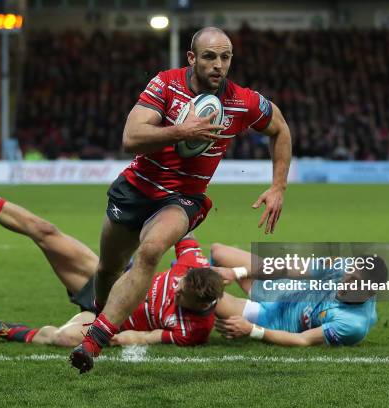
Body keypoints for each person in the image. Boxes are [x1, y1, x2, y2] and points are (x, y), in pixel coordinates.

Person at [71, 26, 292, 373]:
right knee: (108, 267)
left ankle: (94, 340)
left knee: (151, 249)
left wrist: (278, 186)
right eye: (209, 56)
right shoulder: (165, 84)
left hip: (184, 198)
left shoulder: (242, 101)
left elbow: (280, 128)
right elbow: (130, 137)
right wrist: (181, 131)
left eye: (225, 57)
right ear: (192, 58)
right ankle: (100, 311)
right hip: (137, 187)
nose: (218, 64)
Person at [0, 151, 224, 349]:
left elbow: (137, 339)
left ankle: (8, 331)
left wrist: (105, 334)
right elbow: (183, 227)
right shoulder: (193, 263)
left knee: (64, 339)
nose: (175, 288)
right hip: (106, 279)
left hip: (106, 319)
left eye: (181, 293)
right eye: (180, 283)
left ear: (199, 304)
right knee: (45, 231)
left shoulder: (194, 330)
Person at [210, 243, 387, 346]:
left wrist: (252, 330)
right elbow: (288, 268)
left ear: (370, 291)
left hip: (271, 318)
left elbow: (302, 340)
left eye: (353, 281)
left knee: (208, 296)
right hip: (281, 288)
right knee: (218, 251)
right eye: (348, 275)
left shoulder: (353, 324)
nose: (344, 281)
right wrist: (238, 272)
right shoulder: (343, 265)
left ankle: (193, 315)